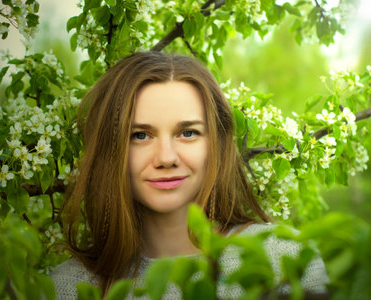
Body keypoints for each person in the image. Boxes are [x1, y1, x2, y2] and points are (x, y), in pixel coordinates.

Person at [51, 51, 329, 299]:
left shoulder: (283, 258)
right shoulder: (67, 288)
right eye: (140, 135)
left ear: (215, 144)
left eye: (187, 133)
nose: (166, 158)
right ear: (109, 149)